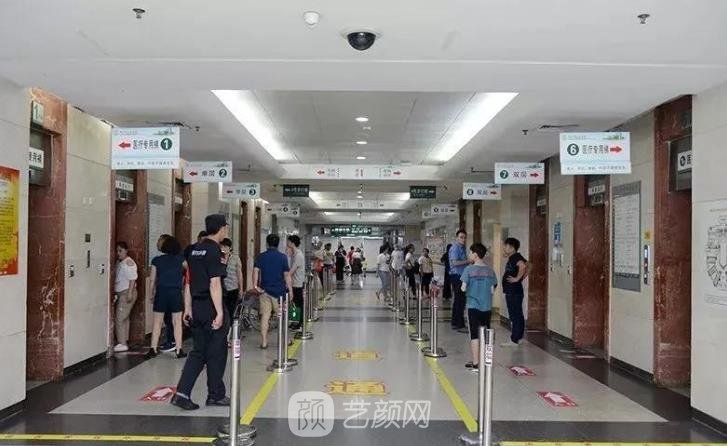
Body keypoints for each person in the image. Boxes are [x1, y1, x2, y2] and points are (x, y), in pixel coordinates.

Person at [171, 214, 230, 411]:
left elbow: (188, 282)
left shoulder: (194, 250)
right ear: (221, 228)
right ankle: (215, 395)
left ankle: (181, 393)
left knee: (198, 352)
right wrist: (219, 312)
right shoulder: (214, 250)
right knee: (216, 352)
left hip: (196, 307)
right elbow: (215, 283)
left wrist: (188, 308)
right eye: (226, 227)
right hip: (211, 307)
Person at [146, 237, 187, 359]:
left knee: (157, 322)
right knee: (177, 321)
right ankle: (179, 350)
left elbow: (152, 279)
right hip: (175, 293)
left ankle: (153, 349)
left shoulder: (156, 260)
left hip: (161, 292)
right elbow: (190, 271)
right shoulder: (181, 259)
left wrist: (151, 294)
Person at [460, 243, 498, 369]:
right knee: (487, 334)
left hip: (473, 306)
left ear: (475, 255)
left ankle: (476, 362)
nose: (469, 254)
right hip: (486, 306)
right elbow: (493, 289)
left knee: (474, 334)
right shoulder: (490, 270)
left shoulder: (468, 269)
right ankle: (487, 361)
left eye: (470, 252)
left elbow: (463, 288)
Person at [253, 234, 293, 349]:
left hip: (264, 291)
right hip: (279, 293)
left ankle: (264, 342)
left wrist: (255, 286)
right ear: (278, 244)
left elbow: (255, 271)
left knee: (265, 316)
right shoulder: (282, 257)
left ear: (267, 243)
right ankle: (286, 340)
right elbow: (287, 275)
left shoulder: (261, 257)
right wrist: (290, 290)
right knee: (282, 317)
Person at [501, 237, 528, 347]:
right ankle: (519, 337)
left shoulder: (516, 257)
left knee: (515, 315)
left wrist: (517, 278)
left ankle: (514, 340)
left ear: (512, 248)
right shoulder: (514, 257)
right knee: (518, 314)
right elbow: (529, 265)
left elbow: (523, 266)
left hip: (513, 291)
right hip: (514, 290)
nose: (504, 248)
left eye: (506, 246)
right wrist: (523, 276)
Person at [114, 242, 138, 353]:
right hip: (123, 293)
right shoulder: (121, 262)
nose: (118, 253)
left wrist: (129, 293)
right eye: (117, 251)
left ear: (126, 250)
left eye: (120, 250)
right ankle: (125, 340)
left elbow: (132, 279)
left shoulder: (128, 262)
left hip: (126, 293)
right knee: (125, 318)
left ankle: (122, 343)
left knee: (119, 318)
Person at [155, 234, 177, 353]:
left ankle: (172, 341)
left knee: (169, 318)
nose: (157, 243)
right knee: (169, 318)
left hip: (168, 293)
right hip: (172, 293)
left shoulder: (161, 260)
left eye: (160, 241)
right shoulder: (176, 259)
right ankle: (172, 341)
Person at [449, 230, 472, 332]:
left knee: (459, 300)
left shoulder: (462, 248)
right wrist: (468, 261)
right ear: (457, 238)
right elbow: (454, 263)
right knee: (460, 301)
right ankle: (459, 324)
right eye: (461, 237)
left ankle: (455, 322)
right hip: (457, 276)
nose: (463, 239)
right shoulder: (455, 248)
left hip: (461, 276)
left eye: (464, 237)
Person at [220, 238, 244, 326]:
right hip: (221, 289)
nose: (223, 248)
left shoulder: (235, 258)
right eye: (222, 246)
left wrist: (241, 289)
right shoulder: (219, 258)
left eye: (225, 246)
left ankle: (230, 330)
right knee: (222, 311)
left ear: (230, 248)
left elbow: (239, 275)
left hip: (233, 288)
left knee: (231, 311)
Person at [287, 235, 305, 331]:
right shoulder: (294, 254)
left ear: (292, 243)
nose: (287, 243)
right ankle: (295, 322)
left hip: (297, 284)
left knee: (298, 304)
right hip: (294, 283)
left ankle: (299, 323)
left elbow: (291, 271)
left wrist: (285, 277)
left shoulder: (298, 255)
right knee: (294, 305)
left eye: (289, 242)